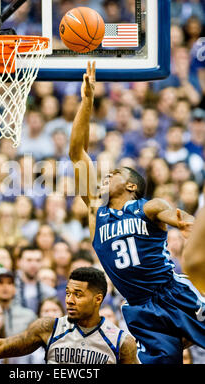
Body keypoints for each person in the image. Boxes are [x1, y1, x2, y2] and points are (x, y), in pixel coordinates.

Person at [68, 61, 205, 364]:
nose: (106, 175)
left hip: (173, 293)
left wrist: (186, 225)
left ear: (130, 185)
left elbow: (174, 214)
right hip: (140, 307)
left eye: (114, 172)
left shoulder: (147, 207)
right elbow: (77, 153)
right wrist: (87, 101)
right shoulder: (96, 212)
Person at [0, 267, 139, 364]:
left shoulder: (121, 342)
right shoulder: (49, 328)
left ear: (98, 299)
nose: (70, 300)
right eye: (68, 293)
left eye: (78, 295)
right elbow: (0, 348)